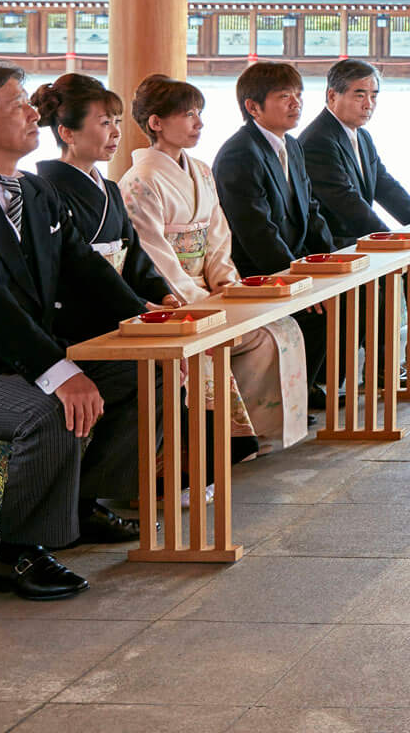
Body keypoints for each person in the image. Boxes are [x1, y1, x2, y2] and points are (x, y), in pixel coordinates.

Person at [0, 63, 152, 600]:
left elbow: (84, 268)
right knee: (53, 407)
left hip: (25, 358)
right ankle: (18, 555)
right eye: (18, 104)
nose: (33, 111)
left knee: (138, 371)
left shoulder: (36, 192)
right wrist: (59, 372)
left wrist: (145, 318)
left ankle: (85, 505)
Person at [118, 75, 307, 456]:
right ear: (156, 123)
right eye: (188, 115)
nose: (199, 124)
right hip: (173, 295)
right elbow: (154, 252)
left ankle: (266, 430)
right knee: (210, 345)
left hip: (209, 287)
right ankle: (222, 443)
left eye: (199, 114)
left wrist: (226, 285)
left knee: (277, 330)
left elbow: (218, 234)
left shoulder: (202, 170)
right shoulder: (140, 180)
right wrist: (196, 298)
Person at [301, 58, 410, 365]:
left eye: (374, 95)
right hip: (333, 240)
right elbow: (347, 202)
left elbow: (384, 184)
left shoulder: (360, 134)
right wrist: (391, 240)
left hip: (356, 233)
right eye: (359, 94)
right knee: (407, 252)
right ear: (331, 96)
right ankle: (381, 362)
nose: (369, 104)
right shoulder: (318, 140)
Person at [213, 62, 338, 399]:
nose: (296, 103)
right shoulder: (240, 153)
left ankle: (308, 386)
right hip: (255, 270)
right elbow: (257, 231)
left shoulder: (291, 145)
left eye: (298, 95)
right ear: (253, 107)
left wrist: (328, 262)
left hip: (291, 262)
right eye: (284, 96)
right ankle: (297, 393)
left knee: (343, 292)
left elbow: (310, 211)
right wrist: (296, 280)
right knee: (320, 311)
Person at [30, 73, 181, 309]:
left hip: (124, 306)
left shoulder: (109, 188)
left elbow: (133, 254)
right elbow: (74, 268)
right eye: (104, 123)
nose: (116, 132)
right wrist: (138, 304)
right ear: (67, 132)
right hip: (84, 314)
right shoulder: (46, 193)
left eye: (116, 122)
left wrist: (161, 293)